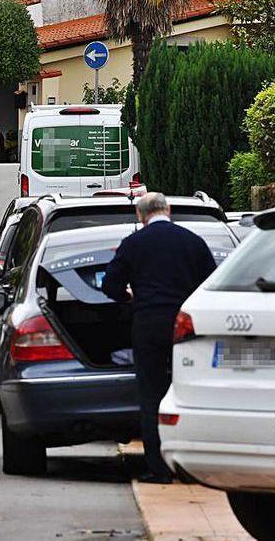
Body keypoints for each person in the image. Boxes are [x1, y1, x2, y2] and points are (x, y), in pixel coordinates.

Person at [101, 192, 216, 483]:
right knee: (188, 393)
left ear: (141, 216)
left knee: (152, 395)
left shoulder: (134, 244)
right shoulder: (193, 242)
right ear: (168, 210)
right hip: (186, 326)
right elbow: (211, 284)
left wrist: (129, 296)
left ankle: (158, 468)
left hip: (148, 323)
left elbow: (109, 286)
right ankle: (190, 469)